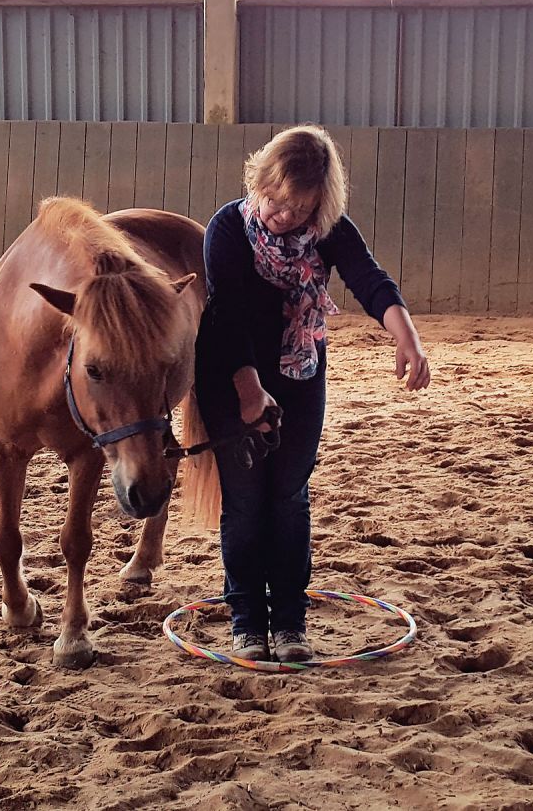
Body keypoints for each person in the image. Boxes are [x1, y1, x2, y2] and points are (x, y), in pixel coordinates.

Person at [194, 125, 431, 663]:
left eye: (299, 209)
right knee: (247, 498)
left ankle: (291, 624)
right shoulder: (228, 229)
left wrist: (406, 338)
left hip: (300, 373)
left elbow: (370, 280)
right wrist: (248, 392)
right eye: (276, 202)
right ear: (263, 181)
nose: (283, 216)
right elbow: (227, 319)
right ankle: (248, 622)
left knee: (289, 494)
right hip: (232, 376)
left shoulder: (329, 230)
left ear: (319, 206)